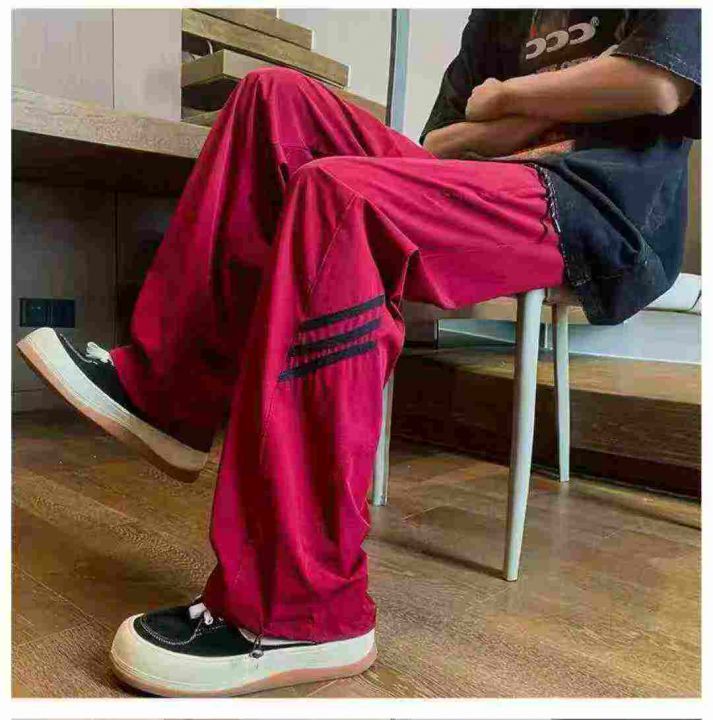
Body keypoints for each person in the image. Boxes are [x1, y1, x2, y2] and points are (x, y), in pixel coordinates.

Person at [17, 8, 699, 697]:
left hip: (594, 202)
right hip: (493, 180)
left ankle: (301, 608)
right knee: (270, 97)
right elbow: (442, 140)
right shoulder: (496, 17)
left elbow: (656, 85)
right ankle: (169, 394)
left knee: (340, 195)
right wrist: (559, 109)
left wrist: (505, 100)